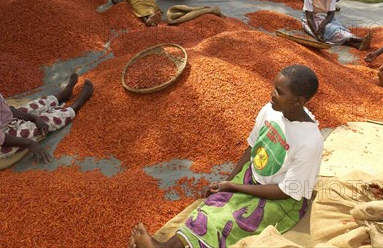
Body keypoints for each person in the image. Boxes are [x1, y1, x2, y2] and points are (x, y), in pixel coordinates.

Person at [128, 65, 323, 248]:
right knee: (211, 205)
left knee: (224, 220)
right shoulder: (270, 111)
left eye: (280, 92)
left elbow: (287, 192)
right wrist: (227, 181)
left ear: (299, 101)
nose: (272, 94)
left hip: (282, 201)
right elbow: (252, 148)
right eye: (274, 87)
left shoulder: (309, 141)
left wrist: (232, 187)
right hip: (253, 178)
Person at [0, 32, 94, 162]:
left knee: (31, 109)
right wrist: (30, 143)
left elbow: (2, 108)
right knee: (45, 122)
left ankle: (61, 96)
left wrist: (33, 117)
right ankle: (77, 104)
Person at [302, 0, 371, 50]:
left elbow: (331, 13)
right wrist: (316, 34)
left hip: (326, 17)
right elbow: (309, 17)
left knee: (339, 27)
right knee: (331, 29)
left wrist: (324, 23)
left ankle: (356, 45)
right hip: (311, 19)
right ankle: (358, 40)